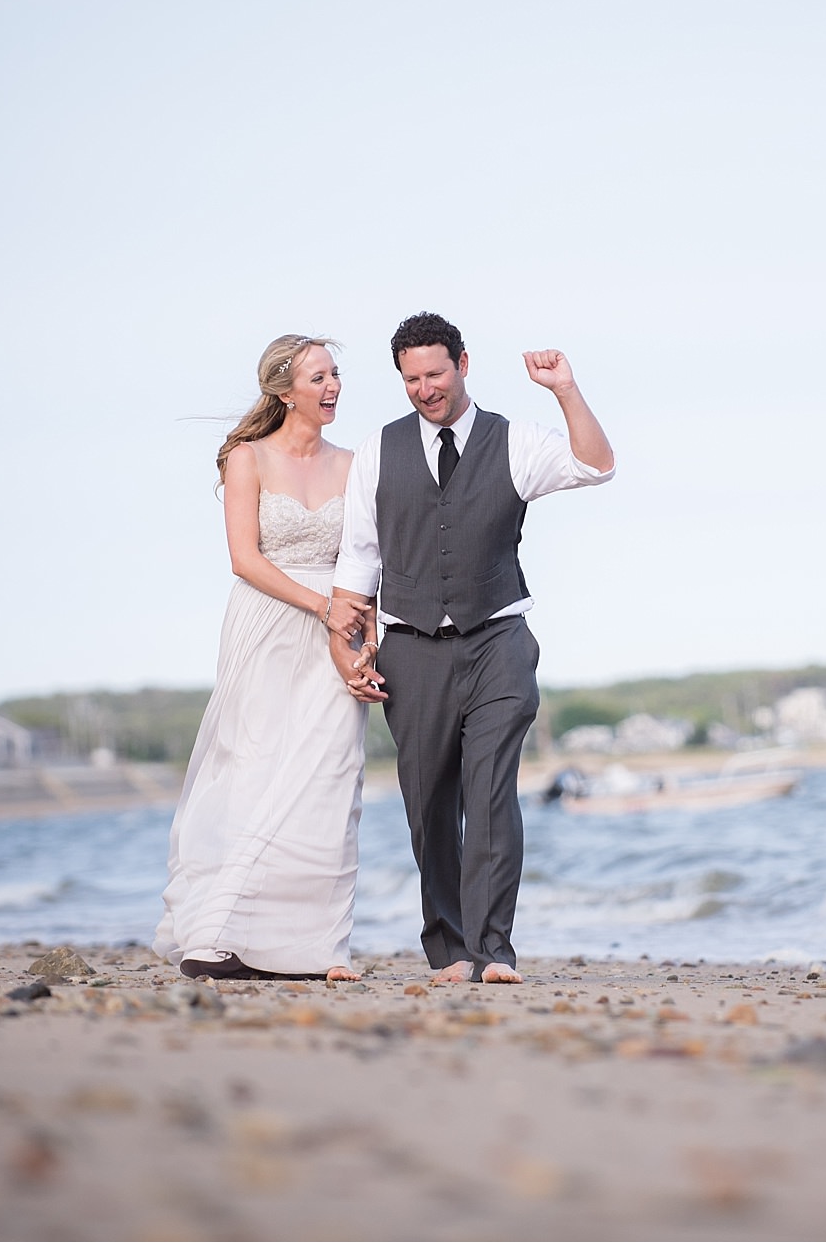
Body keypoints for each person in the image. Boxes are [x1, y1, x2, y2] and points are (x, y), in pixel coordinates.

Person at [332, 312, 613, 984]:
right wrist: (349, 649)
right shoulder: (378, 449)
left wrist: (564, 391)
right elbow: (359, 559)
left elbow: (595, 465)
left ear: (462, 363)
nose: (424, 389)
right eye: (410, 379)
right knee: (428, 803)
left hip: (499, 641)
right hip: (409, 647)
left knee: (490, 795)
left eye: (434, 373)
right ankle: (449, 949)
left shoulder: (513, 441)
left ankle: (493, 952)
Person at [154, 334, 374, 982]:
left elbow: (366, 556)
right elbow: (244, 559)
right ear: (284, 391)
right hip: (268, 622)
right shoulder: (246, 458)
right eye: (318, 377)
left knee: (331, 776)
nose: (333, 387)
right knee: (252, 773)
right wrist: (321, 606)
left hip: (339, 625)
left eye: (336, 374)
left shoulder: (357, 464)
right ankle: (215, 937)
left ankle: (314, 949)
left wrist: (363, 630)